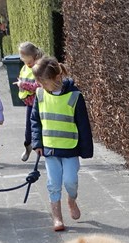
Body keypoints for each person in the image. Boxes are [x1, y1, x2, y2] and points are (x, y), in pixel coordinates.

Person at [30, 56, 94, 232]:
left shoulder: (74, 96)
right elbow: (35, 120)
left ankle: (71, 200)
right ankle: (57, 217)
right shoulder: (40, 95)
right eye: (39, 82)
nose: (41, 85)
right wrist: (37, 142)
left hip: (70, 148)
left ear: (57, 77)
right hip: (50, 148)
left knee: (70, 181)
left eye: (44, 81)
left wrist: (85, 150)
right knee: (53, 184)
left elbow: (83, 124)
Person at [15, 41, 45, 162]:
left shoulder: (39, 68)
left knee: (41, 128)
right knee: (29, 130)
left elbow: (37, 86)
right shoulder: (24, 68)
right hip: (29, 104)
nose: (27, 64)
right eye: (25, 62)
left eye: (29, 62)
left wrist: (22, 84)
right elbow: (22, 78)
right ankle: (28, 146)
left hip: (40, 103)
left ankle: (43, 151)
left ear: (35, 57)